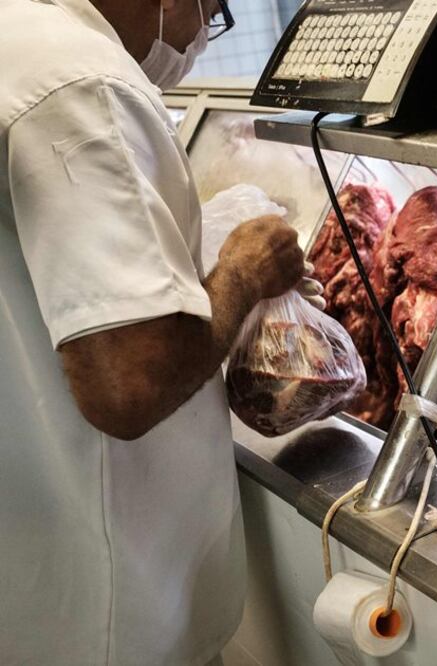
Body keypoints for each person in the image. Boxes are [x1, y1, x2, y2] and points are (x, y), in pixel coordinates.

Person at [0, 1, 318, 663]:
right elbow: (128, 384)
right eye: (214, 11)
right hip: (105, 611)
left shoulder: (16, 39)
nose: (203, 34)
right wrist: (241, 275)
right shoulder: (82, 84)